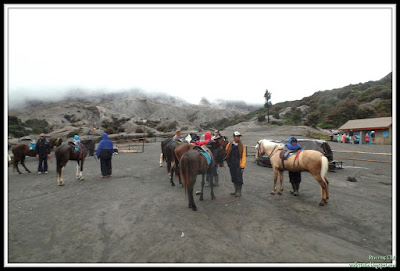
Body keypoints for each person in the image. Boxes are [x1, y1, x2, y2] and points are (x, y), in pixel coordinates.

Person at [225, 131, 246, 197]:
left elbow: (243, 157)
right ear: (234, 137)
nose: (238, 138)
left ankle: (239, 191)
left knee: (239, 178)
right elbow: (226, 151)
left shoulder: (241, 146)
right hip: (231, 164)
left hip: (238, 165)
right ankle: (235, 190)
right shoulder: (230, 144)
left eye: (239, 136)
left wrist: (242, 166)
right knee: (233, 177)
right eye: (237, 136)